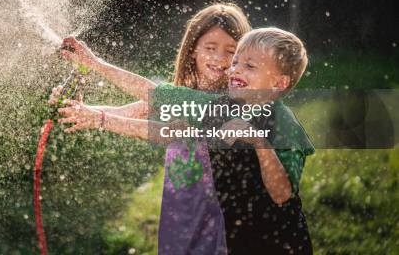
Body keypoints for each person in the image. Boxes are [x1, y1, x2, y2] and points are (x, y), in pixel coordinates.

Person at [57, 27, 314, 254]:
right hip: (237, 241)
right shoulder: (219, 107)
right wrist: (96, 74)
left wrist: (259, 143)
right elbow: (159, 100)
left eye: (250, 65)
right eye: (236, 62)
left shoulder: (284, 124)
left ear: (279, 83)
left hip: (281, 244)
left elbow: (281, 195)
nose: (235, 69)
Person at [55, 2, 251, 254]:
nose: (218, 58)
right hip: (180, 214)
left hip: (218, 220)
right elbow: (136, 109)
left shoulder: (233, 104)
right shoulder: (184, 95)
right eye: (210, 48)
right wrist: (78, 109)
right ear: (193, 50)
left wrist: (97, 67)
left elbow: (157, 120)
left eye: (230, 51)